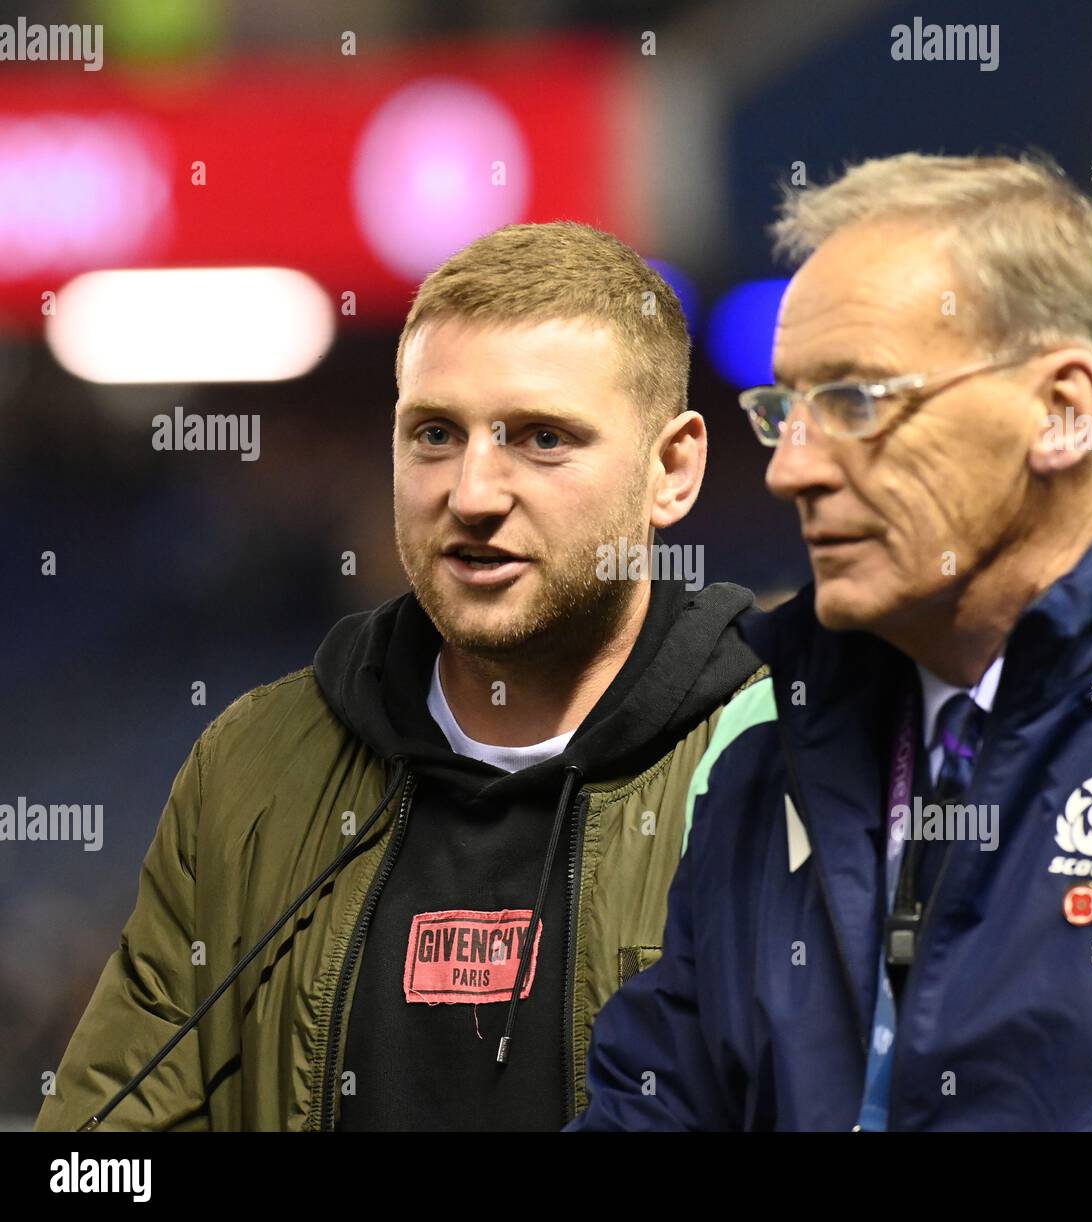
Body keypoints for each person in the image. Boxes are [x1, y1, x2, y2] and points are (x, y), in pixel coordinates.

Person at [570, 153, 1092, 1131]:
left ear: (1062, 411)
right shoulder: (758, 730)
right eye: (782, 408)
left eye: (856, 401)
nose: (791, 470)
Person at [35, 221, 763, 1132]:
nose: (471, 493)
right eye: (433, 434)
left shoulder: (782, 767)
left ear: (672, 469)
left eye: (541, 438)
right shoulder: (250, 769)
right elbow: (99, 1155)